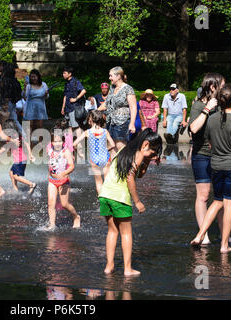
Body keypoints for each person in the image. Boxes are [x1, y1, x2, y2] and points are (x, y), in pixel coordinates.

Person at [191, 84, 231, 253]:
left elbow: (209, 143)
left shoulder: (211, 119)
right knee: (229, 204)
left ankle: (200, 234)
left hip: (215, 165)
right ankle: (224, 245)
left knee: (217, 201)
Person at [98, 129, 162, 276]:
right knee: (126, 233)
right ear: (145, 144)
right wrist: (137, 201)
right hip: (120, 197)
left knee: (112, 231)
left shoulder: (125, 150)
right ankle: (127, 269)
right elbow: (131, 177)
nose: (153, 155)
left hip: (105, 194)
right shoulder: (138, 154)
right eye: (153, 152)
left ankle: (109, 266)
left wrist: (148, 161)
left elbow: (139, 174)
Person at [188, 73, 225, 245]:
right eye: (222, 86)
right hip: (201, 155)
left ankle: (225, 235)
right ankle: (204, 235)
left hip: (219, 156)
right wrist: (207, 108)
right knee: (203, 196)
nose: (224, 89)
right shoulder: (198, 106)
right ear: (212, 87)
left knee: (221, 197)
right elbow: (194, 129)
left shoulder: (220, 106)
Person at [73, 110, 116, 195]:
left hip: (94, 160)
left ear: (90, 120)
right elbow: (113, 144)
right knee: (107, 181)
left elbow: (74, 144)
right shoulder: (105, 131)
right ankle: (109, 198)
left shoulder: (87, 132)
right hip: (106, 158)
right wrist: (106, 149)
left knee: (98, 182)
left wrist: (79, 153)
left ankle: (102, 199)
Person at [47, 128, 81, 230]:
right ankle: (52, 225)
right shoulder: (49, 150)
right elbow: (50, 164)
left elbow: (72, 166)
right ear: (52, 142)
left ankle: (76, 216)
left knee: (64, 204)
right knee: (50, 202)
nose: (57, 143)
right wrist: (49, 174)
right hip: (52, 181)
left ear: (63, 141)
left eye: (59, 141)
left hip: (63, 181)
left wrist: (64, 173)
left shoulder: (65, 152)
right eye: (55, 141)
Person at [97, 66, 137, 151]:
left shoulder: (128, 89)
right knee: (111, 146)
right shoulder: (112, 88)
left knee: (120, 146)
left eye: (111, 76)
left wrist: (132, 123)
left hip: (122, 121)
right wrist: (95, 111)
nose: (109, 78)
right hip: (110, 121)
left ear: (118, 76)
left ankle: (122, 164)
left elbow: (133, 107)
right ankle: (113, 164)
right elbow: (107, 103)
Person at [0, 119, 37, 194]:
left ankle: (31, 184)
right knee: (11, 172)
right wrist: (30, 154)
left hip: (20, 160)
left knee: (15, 176)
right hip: (19, 160)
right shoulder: (18, 136)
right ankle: (15, 188)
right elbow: (26, 144)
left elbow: (5, 148)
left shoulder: (14, 139)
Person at [62, 66, 86, 154]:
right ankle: (69, 145)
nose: (63, 74)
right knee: (69, 127)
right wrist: (63, 107)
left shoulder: (75, 82)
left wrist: (76, 99)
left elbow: (83, 91)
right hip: (67, 108)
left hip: (74, 107)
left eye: (65, 73)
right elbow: (65, 95)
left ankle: (79, 146)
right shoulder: (66, 83)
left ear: (70, 74)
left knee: (76, 127)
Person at [23, 69, 49, 134]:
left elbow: (47, 97)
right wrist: (24, 88)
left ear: (38, 76)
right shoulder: (28, 86)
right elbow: (24, 97)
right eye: (31, 77)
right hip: (30, 108)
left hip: (40, 107)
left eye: (34, 76)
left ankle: (39, 143)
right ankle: (29, 143)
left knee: (39, 126)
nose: (33, 78)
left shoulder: (43, 84)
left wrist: (46, 94)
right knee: (29, 125)